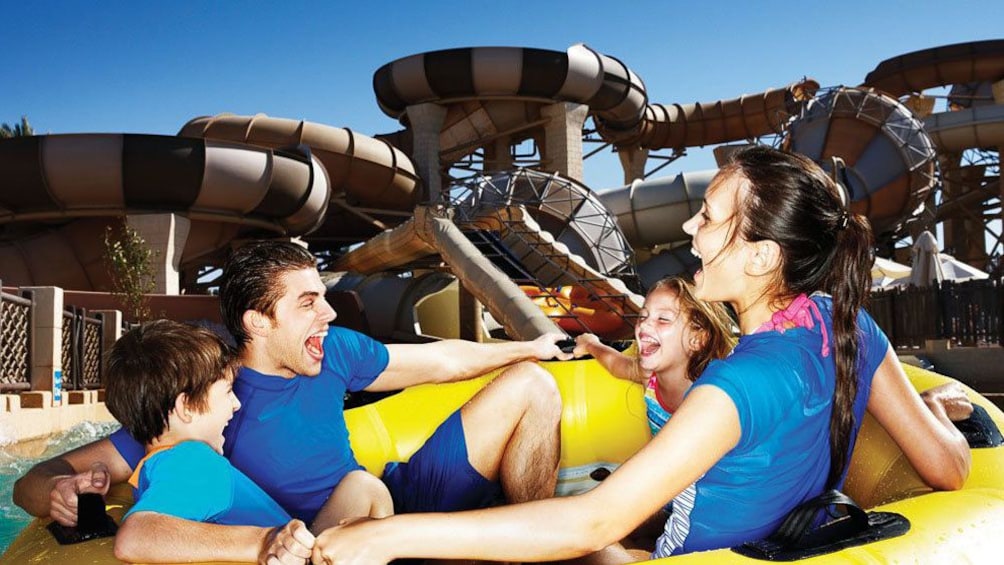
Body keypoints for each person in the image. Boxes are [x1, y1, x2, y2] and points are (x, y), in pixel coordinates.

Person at [308, 145, 974, 564]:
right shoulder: (846, 322)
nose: (690, 226)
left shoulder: (732, 388)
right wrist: (929, 408)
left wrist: (386, 537)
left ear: (763, 256)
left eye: (709, 218)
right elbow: (947, 468)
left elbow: (591, 521)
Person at [13, 240, 571, 560]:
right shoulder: (204, 400)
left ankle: (532, 542)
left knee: (532, 385)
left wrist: (533, 347)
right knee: (361, 488)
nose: (328, 314)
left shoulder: (333, 350)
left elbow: (442, 362)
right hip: (318, 543)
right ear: (258, 320)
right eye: (308, 303)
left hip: (388, 498)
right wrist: (56, 492)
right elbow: (37, 479)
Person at [103, 320, 313, 564]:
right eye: (227, 391)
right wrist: (262, 542)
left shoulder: (157, 467)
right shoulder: (192, 460)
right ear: (187, 407)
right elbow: (134, 538)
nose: (236, 403)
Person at [574, 276, 735, 435]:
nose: (644, 323)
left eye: (663, 319)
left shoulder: (708, 396)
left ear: (697, 339)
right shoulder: (650, 377)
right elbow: (616, 365)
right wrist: (591, 344)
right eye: (643, 316)